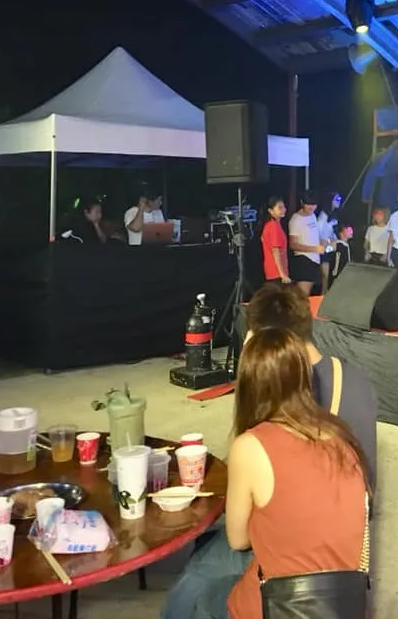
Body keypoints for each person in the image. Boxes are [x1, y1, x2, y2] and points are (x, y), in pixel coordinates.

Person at [161, 286, 378, 619]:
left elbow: (239, 539)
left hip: (286, 586)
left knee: (198, 585)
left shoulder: (255, 444)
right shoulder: (343, 422)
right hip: (343, 577)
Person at [287, 191, 331, 296]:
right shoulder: (296, 220)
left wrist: (322, 242)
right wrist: (314, 249)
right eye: (309, 204)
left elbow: (313, 235)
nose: (312, 207)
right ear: (302, 203)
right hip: (304, 260)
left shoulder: (313, 215)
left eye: (314, 204)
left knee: (311, 293)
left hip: (315, 259)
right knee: (302, 294)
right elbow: (293, 244)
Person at [259, 196, 290, 285]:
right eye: (280, 207)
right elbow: (275, 251)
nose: (283, 209)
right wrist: (282, 274)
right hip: (276, 273)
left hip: (275, 272)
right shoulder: (273, 226)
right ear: (271, 211)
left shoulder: (273, 224)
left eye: (284, 207)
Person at [317, 191, 342, 294]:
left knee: (328, 275)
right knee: (324, 275)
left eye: (340, 199)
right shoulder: (322, 216)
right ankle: (323, 293)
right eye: (336, 199)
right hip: (321, 248)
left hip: (329, 247)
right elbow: (318, 234)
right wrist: (327, 242)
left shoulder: (333, 215)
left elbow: (332, 233)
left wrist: (335, 240)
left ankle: (325, 292)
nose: (339, 201)